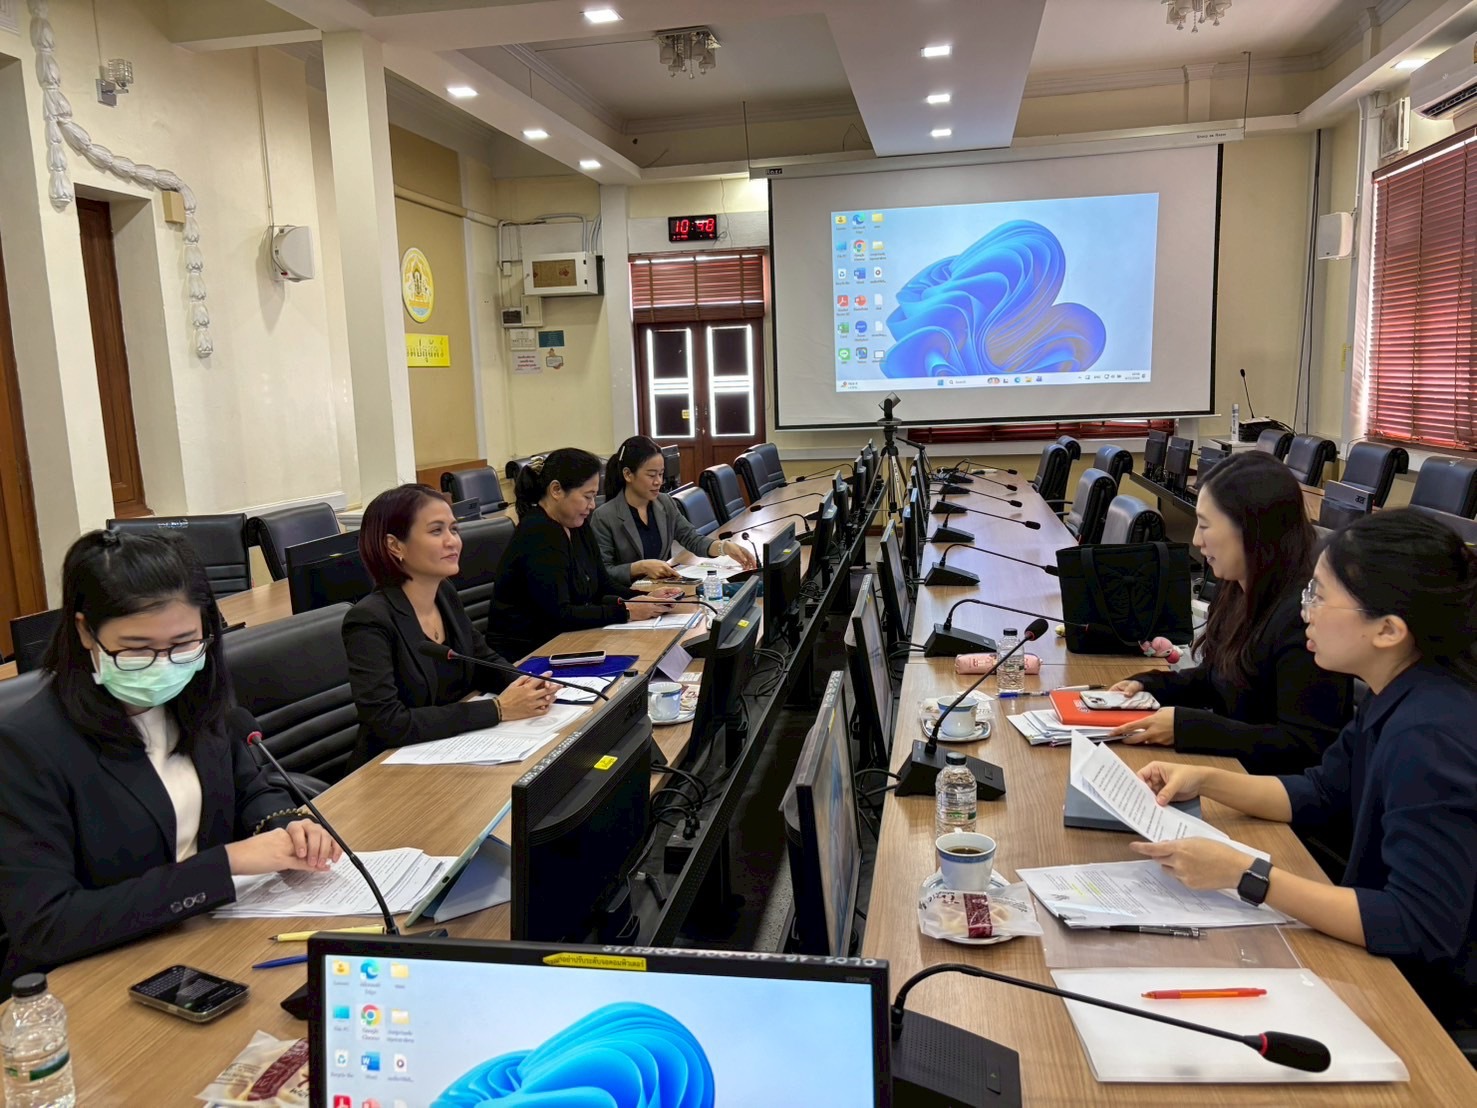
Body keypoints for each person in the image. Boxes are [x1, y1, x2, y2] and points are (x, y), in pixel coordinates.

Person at [1133, 510, 1477, 1034]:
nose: (1304, 611)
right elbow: (1321, 790)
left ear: (1388, 630)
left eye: (1318, 595)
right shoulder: (1398, 690)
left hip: (1424, 1007)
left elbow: (1417, 924)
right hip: (1381, 962)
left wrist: (1246, 875)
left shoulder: (1430, 737)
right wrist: (1206, 779)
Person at [0, 531, 341, 991]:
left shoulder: (196, 696)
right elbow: (47, 925)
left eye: (183, 643)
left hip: (206, 941)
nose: (164, 665)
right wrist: (222, 865)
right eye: (137, 649)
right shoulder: (28, 746)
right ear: (84, 631)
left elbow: (250, 788)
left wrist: (286, 826)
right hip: (96, 976)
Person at [1108, 451, 1352, 775]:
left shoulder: (1304, 616)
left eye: (1205, 526)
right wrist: (1149, 686)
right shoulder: (1237, 587)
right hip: (1234, 773)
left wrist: (1189, 728)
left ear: (1252, 530)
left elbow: (1303, 747)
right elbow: (1218, 678)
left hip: (1271, 794)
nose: (1196, 540)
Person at [343, 484, 559, 769]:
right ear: (395, 545)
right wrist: (498, 709)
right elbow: (388, 722)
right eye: (436, 531)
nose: (453, 541)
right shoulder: (369, 619)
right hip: (392, 768)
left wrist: (527, 684)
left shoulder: (444, 593)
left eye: (454, 529)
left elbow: (483, 659)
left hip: (451, 750)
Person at [487, 448, 684, 660]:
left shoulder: (576, 524)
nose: (592, 505)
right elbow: (559, 614)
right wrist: (627, 611)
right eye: (587, 496)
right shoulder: (538, 533)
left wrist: (643, 598)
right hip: (528, 653)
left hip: (566, 640)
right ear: (556, 490)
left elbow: (603, 585)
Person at [591, 436, 758, 588]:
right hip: (629, 597)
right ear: (628, 474)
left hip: (663, 590)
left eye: (661, 474)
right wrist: (639, 567)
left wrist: (724, 547)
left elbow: (692, 539)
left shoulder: (665, 502)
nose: (658, 481)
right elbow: (602, 572)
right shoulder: (604, 517)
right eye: (651, 475)